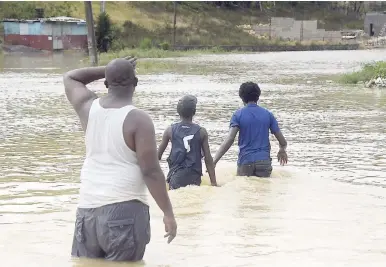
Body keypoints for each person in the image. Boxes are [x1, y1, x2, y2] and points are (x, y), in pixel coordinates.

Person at [63, 56, 177, 262]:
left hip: (87, 213)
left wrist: (106, 69)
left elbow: (71, 77)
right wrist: (168, 213)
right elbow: (150, 171)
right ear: (136, 83)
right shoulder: (139, 119)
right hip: (124, 212)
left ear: (106, 84)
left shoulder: (87, 108)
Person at [213, 82, 288, 177]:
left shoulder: (238, 115)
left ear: (241, 97)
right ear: (258, 96)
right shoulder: (268, 115)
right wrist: (282, 150)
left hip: (245, 161)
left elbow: (230, 139)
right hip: (264, 162)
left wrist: (214, 161)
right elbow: (283, 142)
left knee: (244, 189)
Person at [158, 95, 218, 190]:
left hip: (176, 177)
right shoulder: (201, 132)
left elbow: (157, 157)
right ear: (194, 112)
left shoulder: (169, 131)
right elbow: (208, 159)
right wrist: (214, 183)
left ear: (178, 112)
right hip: (194, 178)